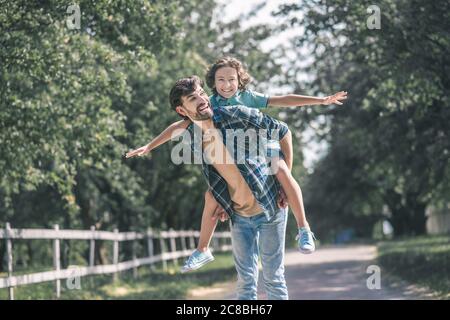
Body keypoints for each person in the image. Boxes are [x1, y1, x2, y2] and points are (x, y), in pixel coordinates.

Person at [126, 57, 347, 273]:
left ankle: (304, 228)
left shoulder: (248, 98)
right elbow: (180, 125)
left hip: (262, 144)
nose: (226, 85)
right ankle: (202, 249)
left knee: (280, 170)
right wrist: (149, 146)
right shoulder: (209, 104)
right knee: (212, 196)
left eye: (231, 79)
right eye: (220, 80)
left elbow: (284, 100)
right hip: (239, 159)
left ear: (240, 80)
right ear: (213, 82)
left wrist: (321, 100)